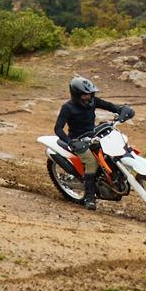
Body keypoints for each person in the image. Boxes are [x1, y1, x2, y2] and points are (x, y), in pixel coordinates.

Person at [54, 76, 133, 209]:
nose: (89, 97)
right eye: (85, 95)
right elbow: (58, 129)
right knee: (92, 162)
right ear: (76, 95)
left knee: (113, 152)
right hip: (78, 140)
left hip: (93, 135)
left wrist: (122, 110)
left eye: (90, 94)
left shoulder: (93, 101)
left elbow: (111, 106)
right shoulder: (68, 107)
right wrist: (70, 142)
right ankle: (89, 197)